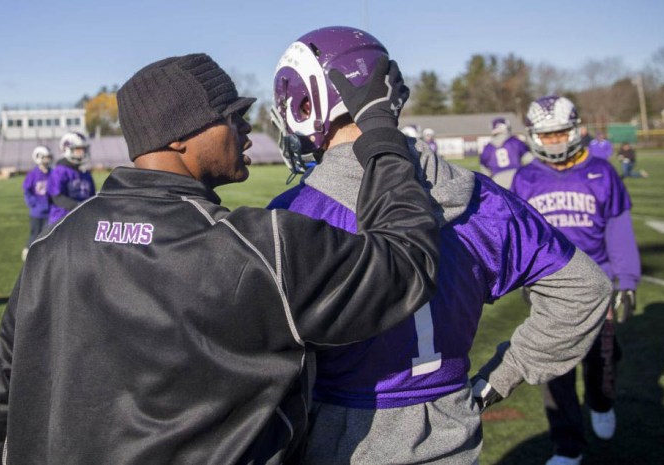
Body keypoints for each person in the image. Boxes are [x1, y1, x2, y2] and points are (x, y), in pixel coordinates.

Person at [0, 53, 442, 464]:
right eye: (232, 116)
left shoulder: (53, 244)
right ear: (178, 137)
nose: (247, 128)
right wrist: (379, 129)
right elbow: (406, 260)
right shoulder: (254, 247)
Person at [268, 26, 611, 465]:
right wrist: (499, 377)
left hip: (343, 439)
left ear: (306, 103)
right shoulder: (481, 197)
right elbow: (585, 288)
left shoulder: (295, 213)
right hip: (452, 431)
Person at [511, 95, 642, 465]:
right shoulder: (526, 177)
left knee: (603, 360)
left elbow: (619, 230)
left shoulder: (602, 172)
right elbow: (520, 235)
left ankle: (601, 402)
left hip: (599, 283)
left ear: (576, 130)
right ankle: (567, 445)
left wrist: (627, 282)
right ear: (534, 136)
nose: (553, 142)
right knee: (556, 369)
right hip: (550, 289)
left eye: (559, 134)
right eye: (546, 135)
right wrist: (523, 278)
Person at [46, 131, 96, 224]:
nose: (82, 153)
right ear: (67, 149)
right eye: (78, 149)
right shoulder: (59, 171)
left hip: (82, 219)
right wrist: (79, 206)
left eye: (83, 149)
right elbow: (57, 197)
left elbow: (92, 196)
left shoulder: (85, 172)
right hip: (62, 220)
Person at [479, 116, 531, 189]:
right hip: (518, 179)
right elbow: (530, 162)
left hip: (498, 182)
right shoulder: (516, 142)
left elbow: (485, 172)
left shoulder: (487, 148)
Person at [21, 145, 53, 261]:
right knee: (35, 234)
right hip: (37, 212)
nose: (48, 159)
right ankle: (27, 251)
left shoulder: (52, 172)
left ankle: (43, 255)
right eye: (45, 157)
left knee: (47, 234)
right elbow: (27, 191)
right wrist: (34, 204)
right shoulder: (33, 174)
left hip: (50, 211)